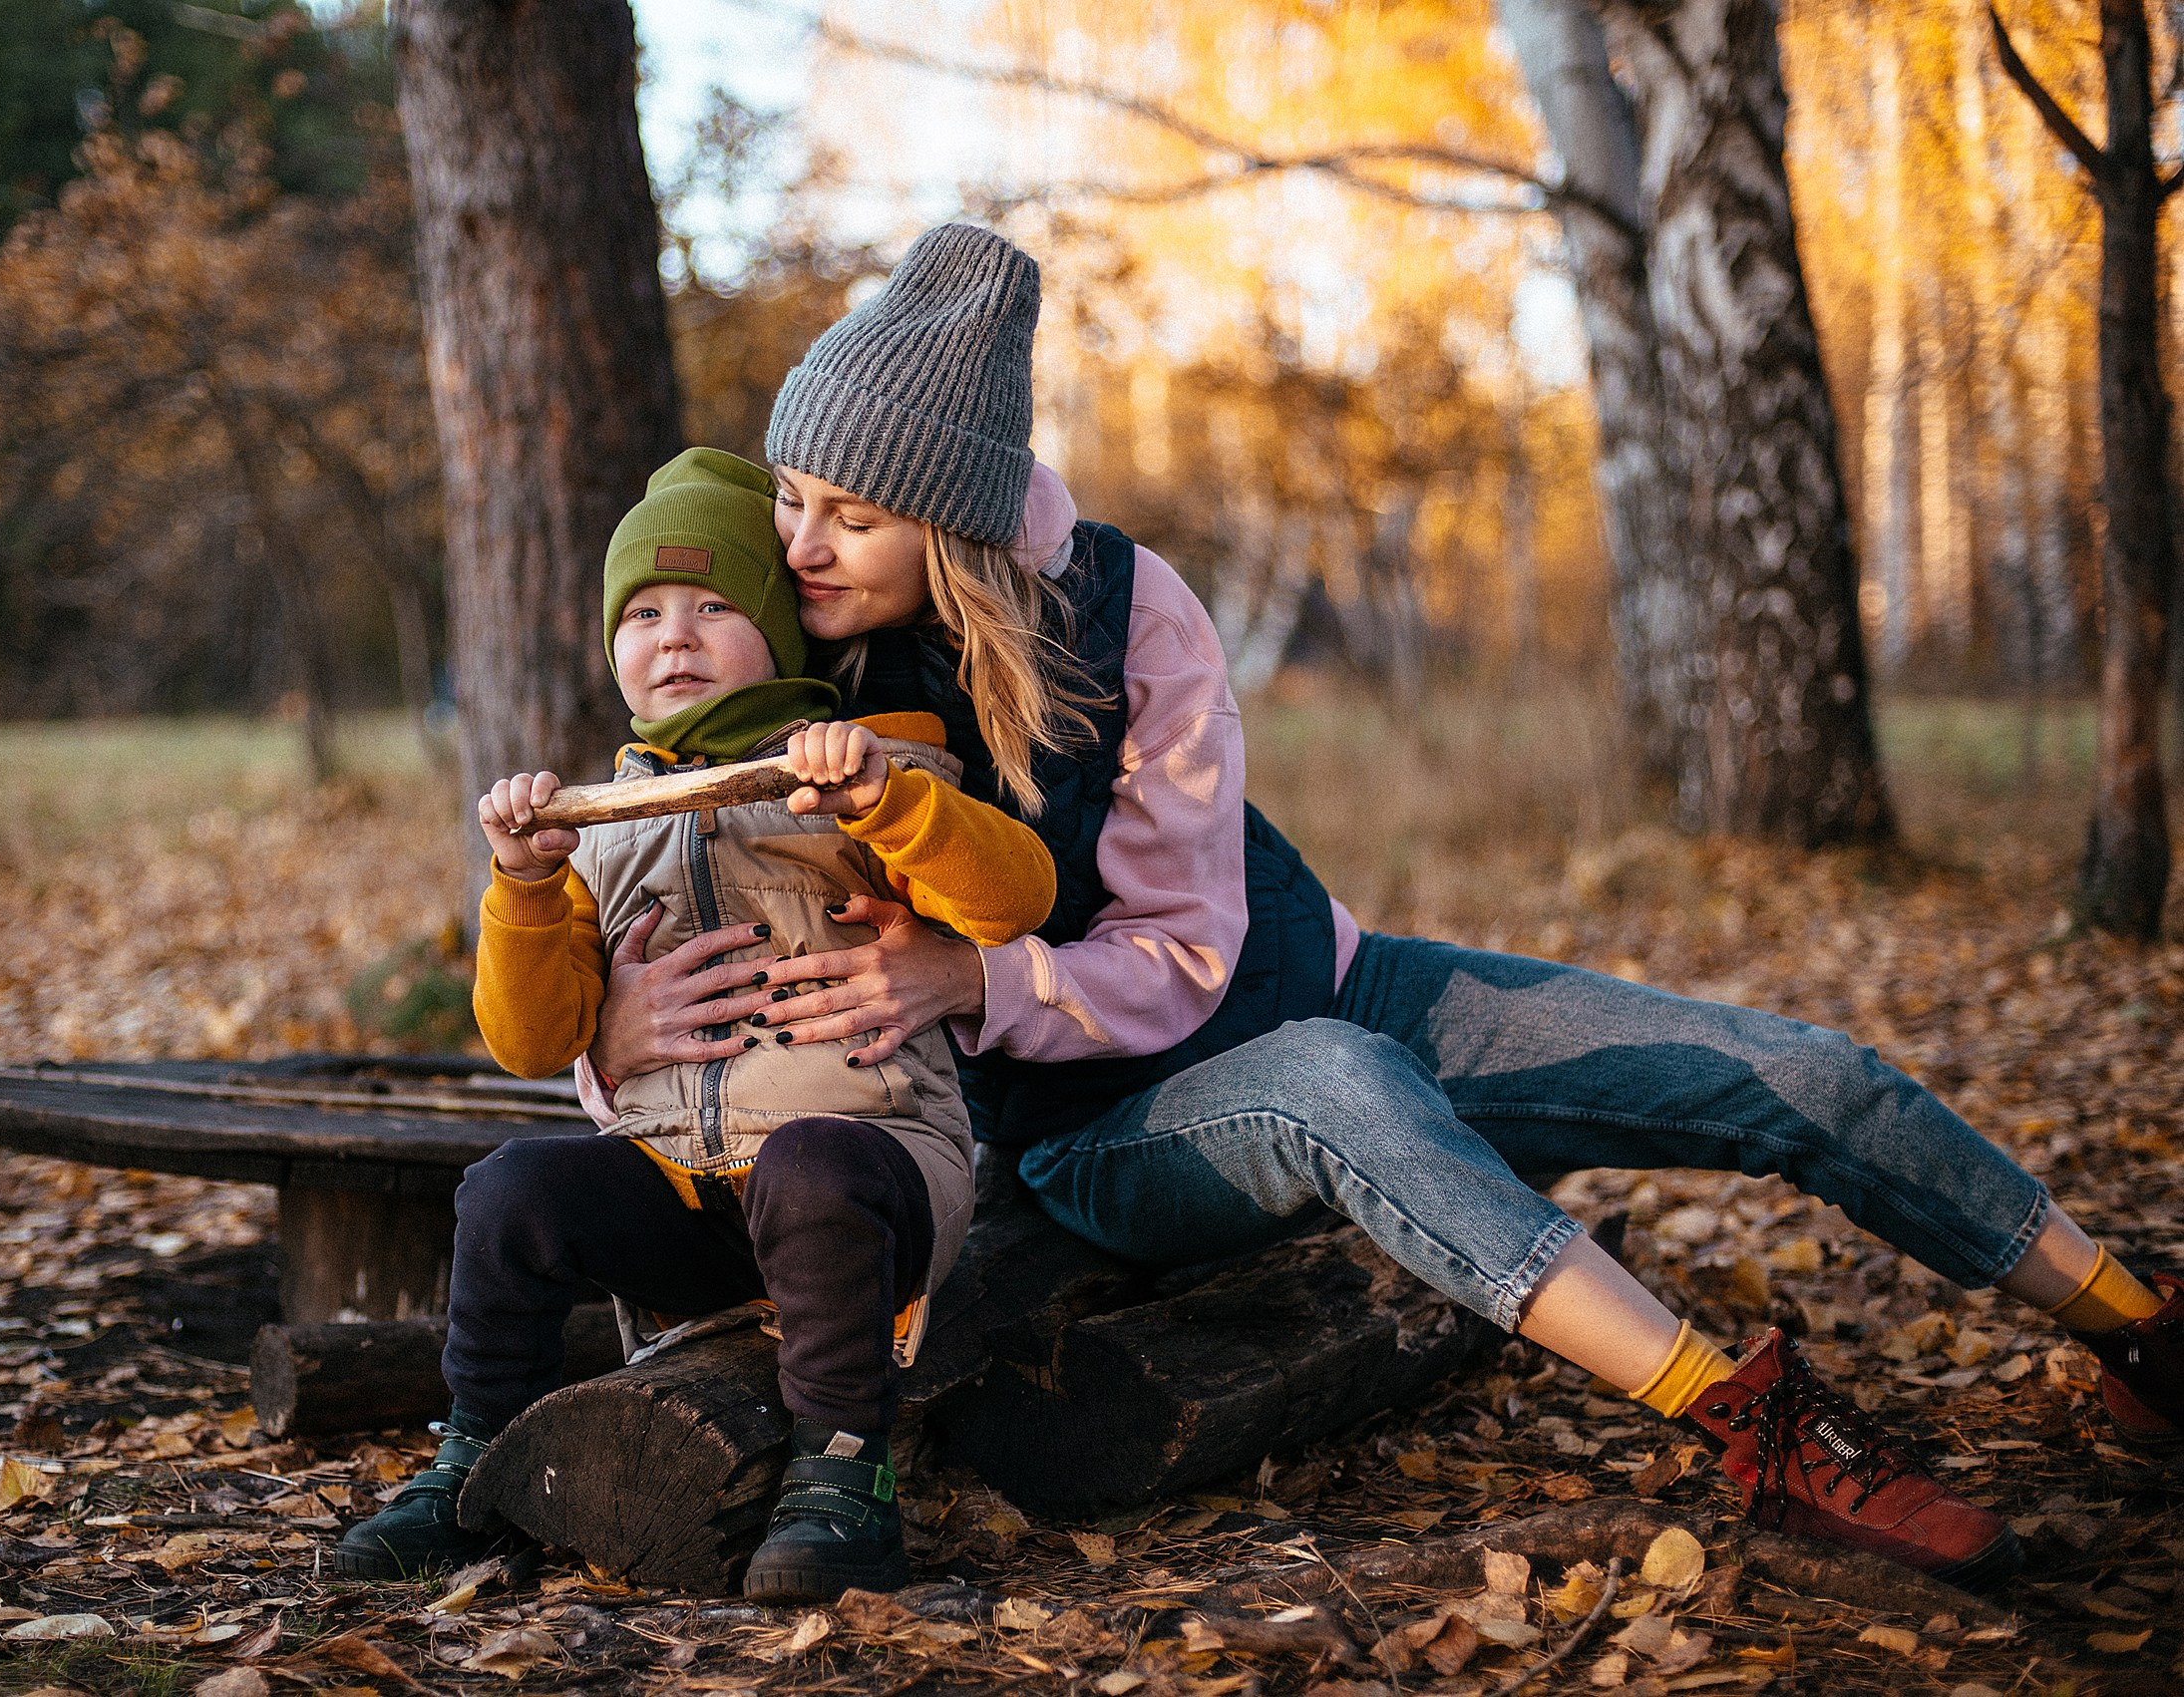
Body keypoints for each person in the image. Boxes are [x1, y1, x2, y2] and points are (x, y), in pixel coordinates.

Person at [582, 222, 2184, 1586]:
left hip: (1327, 975)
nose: (799, 546)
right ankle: (1744, 1423)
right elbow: (647, 909)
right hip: (1097, 1129)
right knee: (1338, 1091)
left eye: (848, 515)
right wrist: (614, 1037)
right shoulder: (776, 672)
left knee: (1791, 1068)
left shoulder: (1129, 608)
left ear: (947, 510)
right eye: (788, 498)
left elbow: (1187, 942)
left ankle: (2133, 1323)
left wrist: (976, 974)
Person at [333, 447, 1054, 1598]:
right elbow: (530, 1040)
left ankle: (843, 1475)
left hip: (867, 1176)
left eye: (714, 606)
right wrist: (523, 882)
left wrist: (890, 802)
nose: (674, 634)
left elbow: (1015, 899)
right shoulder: (596, 824)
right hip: (682, 1186)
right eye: (644, 612)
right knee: (509, 1190)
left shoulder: (876, 767)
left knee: (814, 1166)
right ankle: (475, 1459)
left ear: (780, 628)